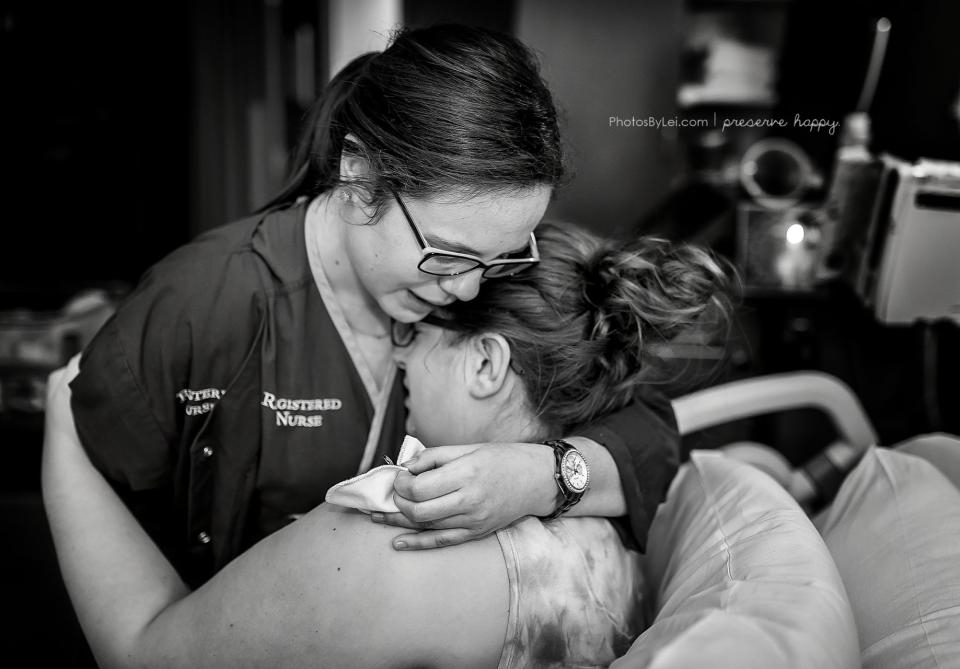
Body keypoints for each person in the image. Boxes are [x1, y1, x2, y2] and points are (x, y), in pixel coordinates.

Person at [64, 23, 682, 587]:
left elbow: (644, 423)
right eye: (447, 255)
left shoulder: (490, 261)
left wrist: (540, 477)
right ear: (360, 173)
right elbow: (101, 507)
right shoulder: (201, 306)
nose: (469, 289)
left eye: (503, 256)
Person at [43, 220, 732, 668]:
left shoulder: (390, 538)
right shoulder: (609, 524)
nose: (396, 356)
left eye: (415, 332)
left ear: (487, 363)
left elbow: (142, 653)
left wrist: (64, 431)